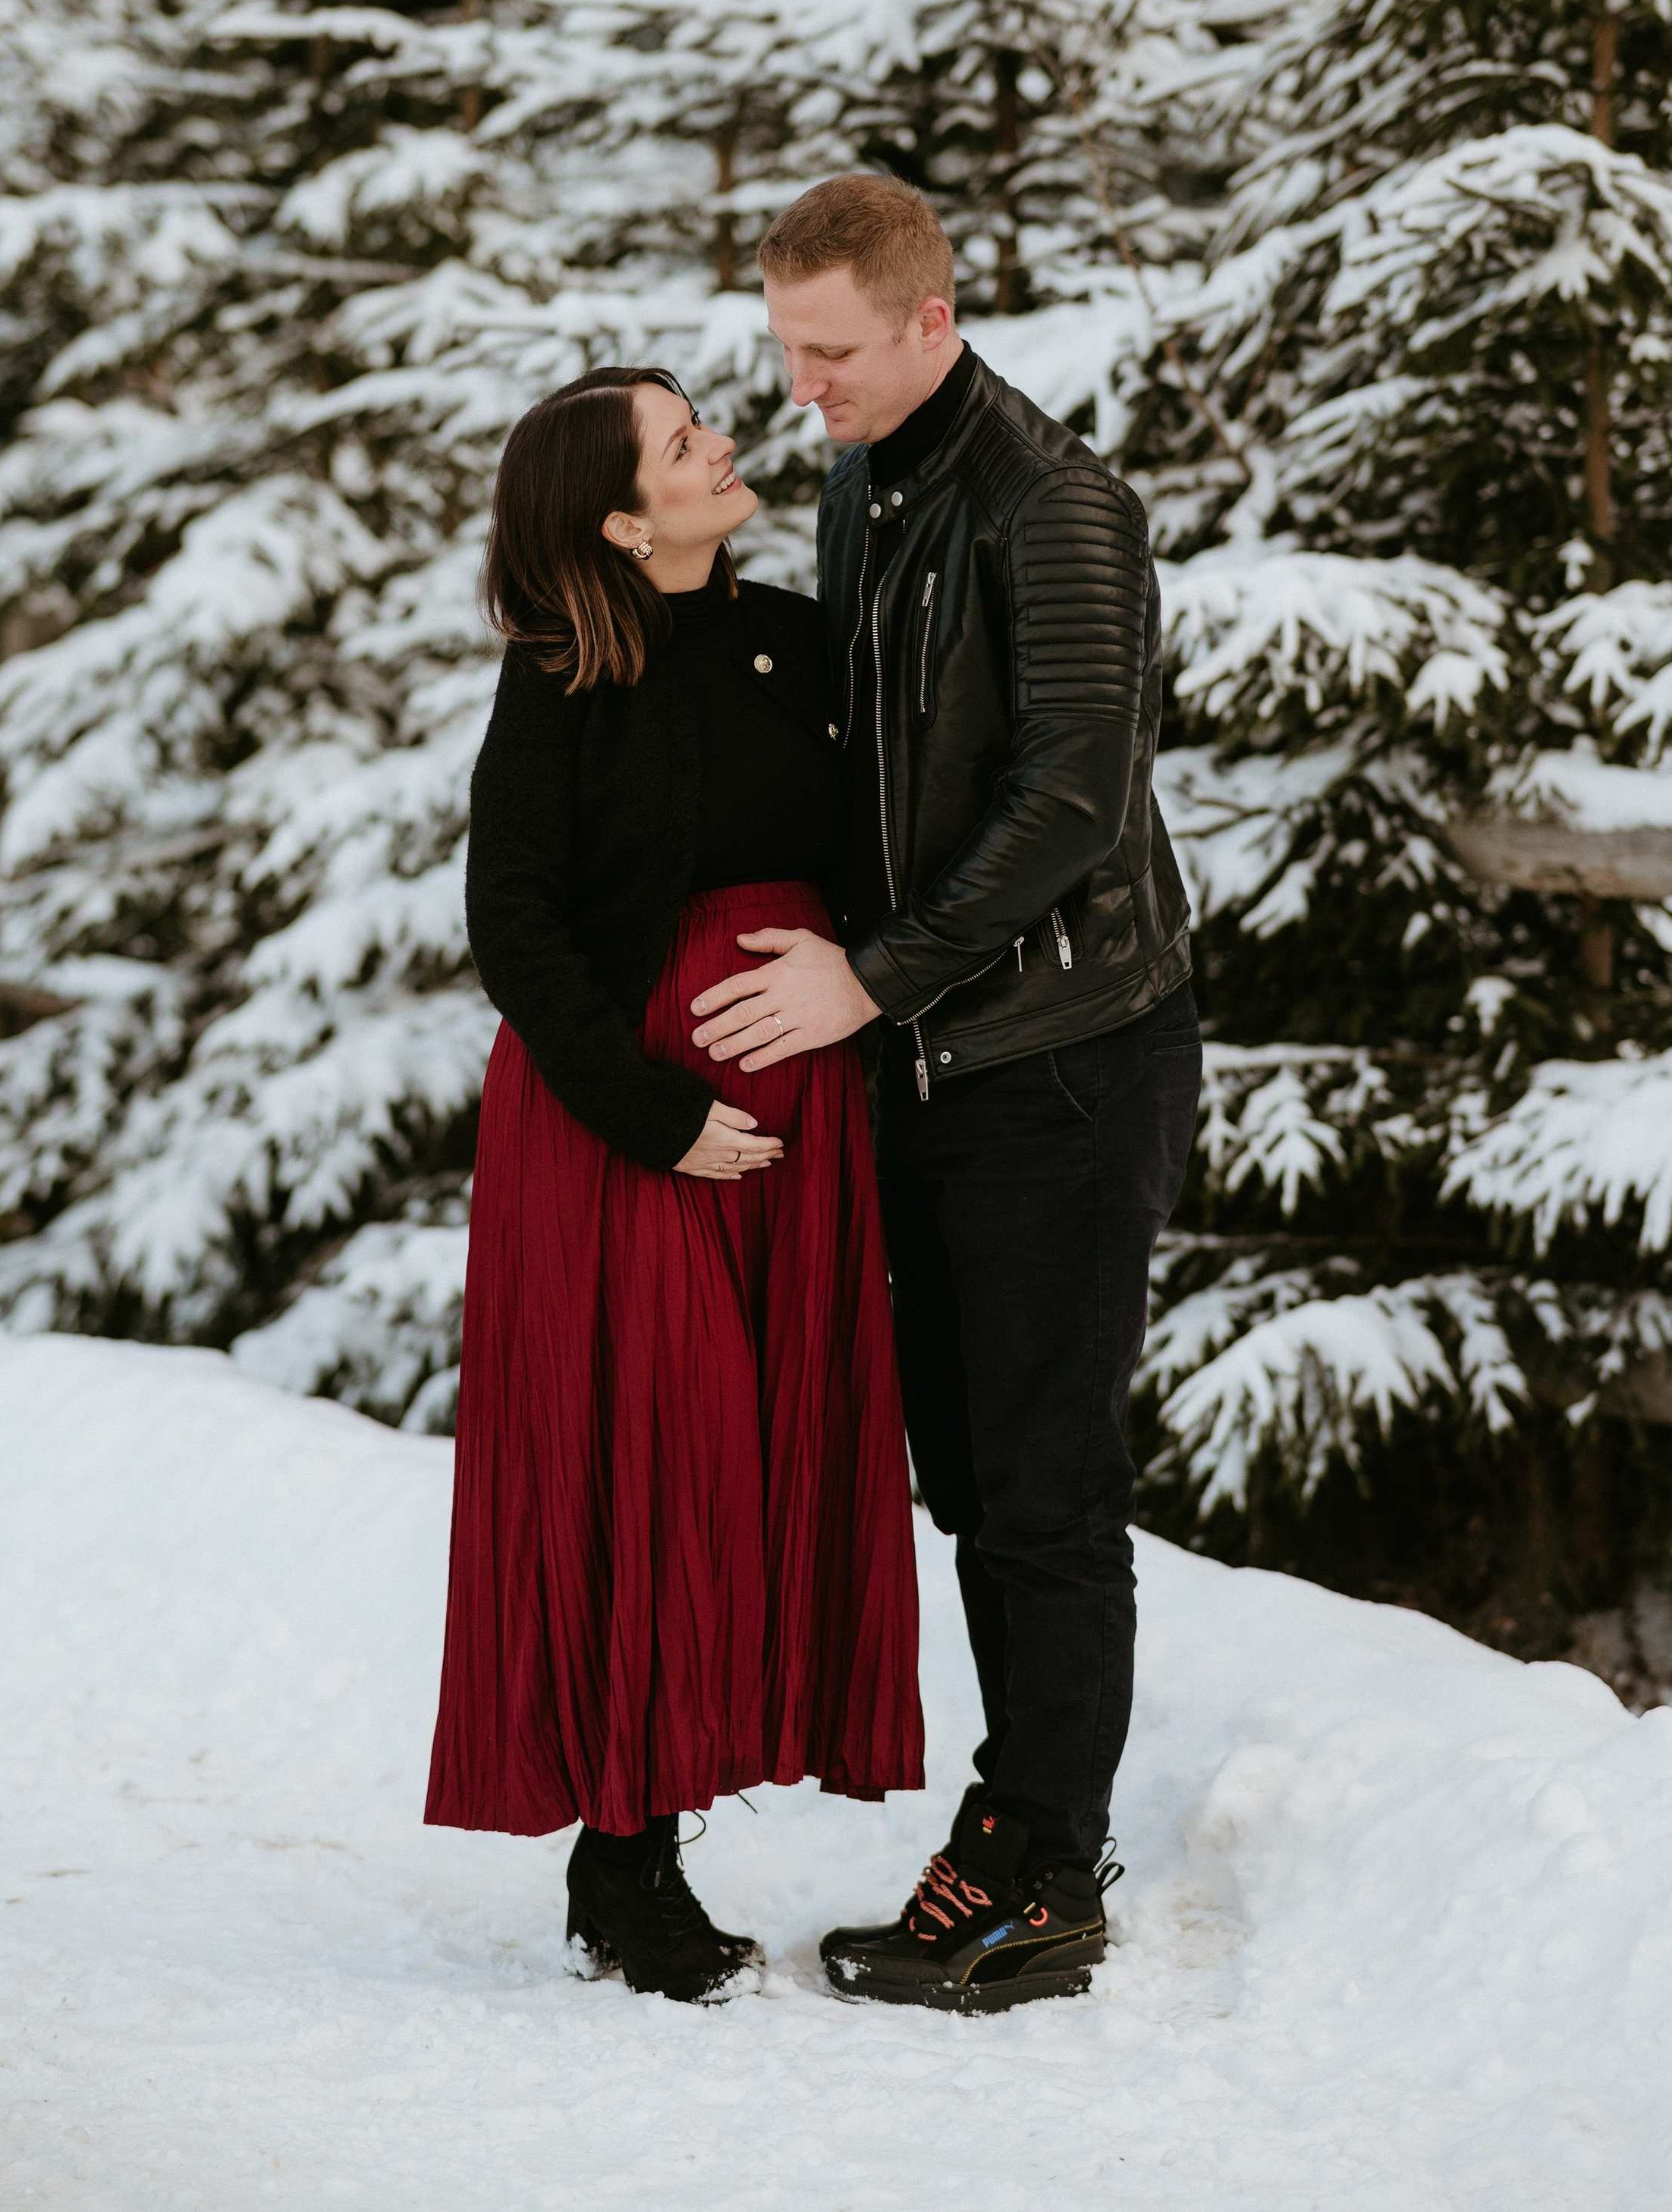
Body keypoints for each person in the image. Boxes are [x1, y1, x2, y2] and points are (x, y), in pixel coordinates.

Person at [687, 175, 1201, 2015]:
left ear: (928, 317)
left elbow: (1071, 797)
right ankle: (1019, 1829)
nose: (800, 384)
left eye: (828, 351)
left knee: (1043, 1489)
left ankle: (1043, 1875)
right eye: (784, 351)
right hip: (932, 1069)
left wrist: (873, 977)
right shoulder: (864, 474)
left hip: (1061, 1062)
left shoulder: (1053, 504)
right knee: (977, 1478)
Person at [423, 363, 923, 2006]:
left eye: (703, 419)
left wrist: (852, 969)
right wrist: (653, 1113)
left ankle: (674, 1805)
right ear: (623, 520)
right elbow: (518, 927)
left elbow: (876, 843)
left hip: (799, 1120)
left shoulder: (793, 638)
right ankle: (623, 1855)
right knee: (657, 1450)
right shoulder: (562, 673)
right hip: (630, 1120)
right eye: (681, 440)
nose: (721, 442)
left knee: (761, 1444)